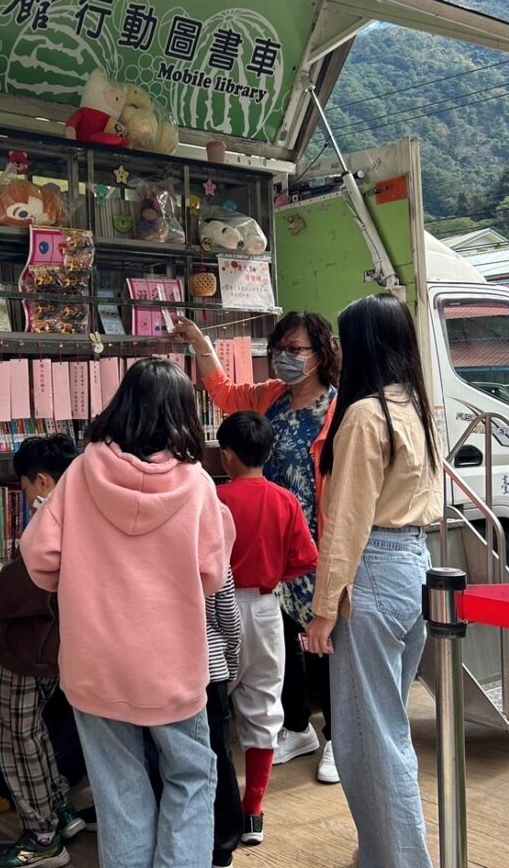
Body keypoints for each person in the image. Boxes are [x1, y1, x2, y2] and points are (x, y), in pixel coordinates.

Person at [20, 358, 235, 868]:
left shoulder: (80, 472)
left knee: (118, 787)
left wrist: (76, 582)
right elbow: (210, 576)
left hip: (95, 662)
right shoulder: (197, 483)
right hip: (172, 666)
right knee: (191, 775)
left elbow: (39, 556)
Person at [304, 294, 443, 868]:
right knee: (384, 730)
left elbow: (348, 523)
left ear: (359, 346)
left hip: (374, 572)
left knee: (369, 743)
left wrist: (321, 609)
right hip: (414, 567)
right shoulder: (414, 406)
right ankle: (384, 854)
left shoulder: (364, 416)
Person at [175, 313, 340, 784]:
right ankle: (296, 727)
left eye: (297, 350)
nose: (286, 358)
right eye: (281, 348)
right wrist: (201, 344)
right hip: (273, 542)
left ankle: (337, 740)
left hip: (317, 543)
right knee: (283, 642)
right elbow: (225, 393)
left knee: (323, 647)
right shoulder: (272, 396)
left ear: (321, 353)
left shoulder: (339, 407)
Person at [216, 411, 318, 848]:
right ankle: (253, 810)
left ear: (227, 456)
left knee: (212, 707)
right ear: (270, 453)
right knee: (263, 708)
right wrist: (275, 570)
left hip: (217, 608)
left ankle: (216, 809)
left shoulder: (216, 499)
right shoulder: (285, 500)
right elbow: (307, 559)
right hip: (265, 606)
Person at [0, 435, 85, 868]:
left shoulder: (51, 517)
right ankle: (58, 808)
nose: (25, 496)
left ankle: (42, 835)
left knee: (13, 735)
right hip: (61, 644)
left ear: (42, 480)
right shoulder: (86, 506)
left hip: (30, 646)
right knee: (34, 730)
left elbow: (26, 587)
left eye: (24, 486)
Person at [205, 568, 244, 868]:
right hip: (210, 662)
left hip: (160, 668)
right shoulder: (210, 526)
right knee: (218, 755)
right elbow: (228, 614)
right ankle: (223, 845)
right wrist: (230, 661)